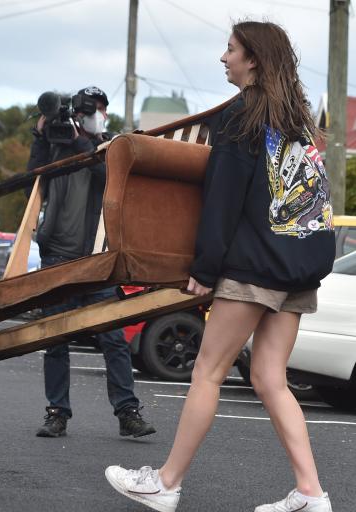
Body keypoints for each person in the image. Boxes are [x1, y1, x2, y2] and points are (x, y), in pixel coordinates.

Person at [105, 21, 336, 512]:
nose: (223, 57)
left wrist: (206, 268)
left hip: (253, 266)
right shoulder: (298, 120)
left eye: (231, 49)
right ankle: (311, 493)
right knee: (271, 379)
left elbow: (222, 200)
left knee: (207, 372)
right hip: (299, 264)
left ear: (253, 60)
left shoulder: (239, 117)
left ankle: (166, 483)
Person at [28, 86, 156, 439]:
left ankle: (128, 412)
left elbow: (109, 179)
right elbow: (33, 188)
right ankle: (57, 413)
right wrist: (41, 138)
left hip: (99, 257)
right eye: (92, 109)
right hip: (57, 254)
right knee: (56, 339)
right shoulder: (56, 144)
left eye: (101, 109)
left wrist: (81, 144)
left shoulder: (109, 146)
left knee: (113, 339)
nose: (98, 115)